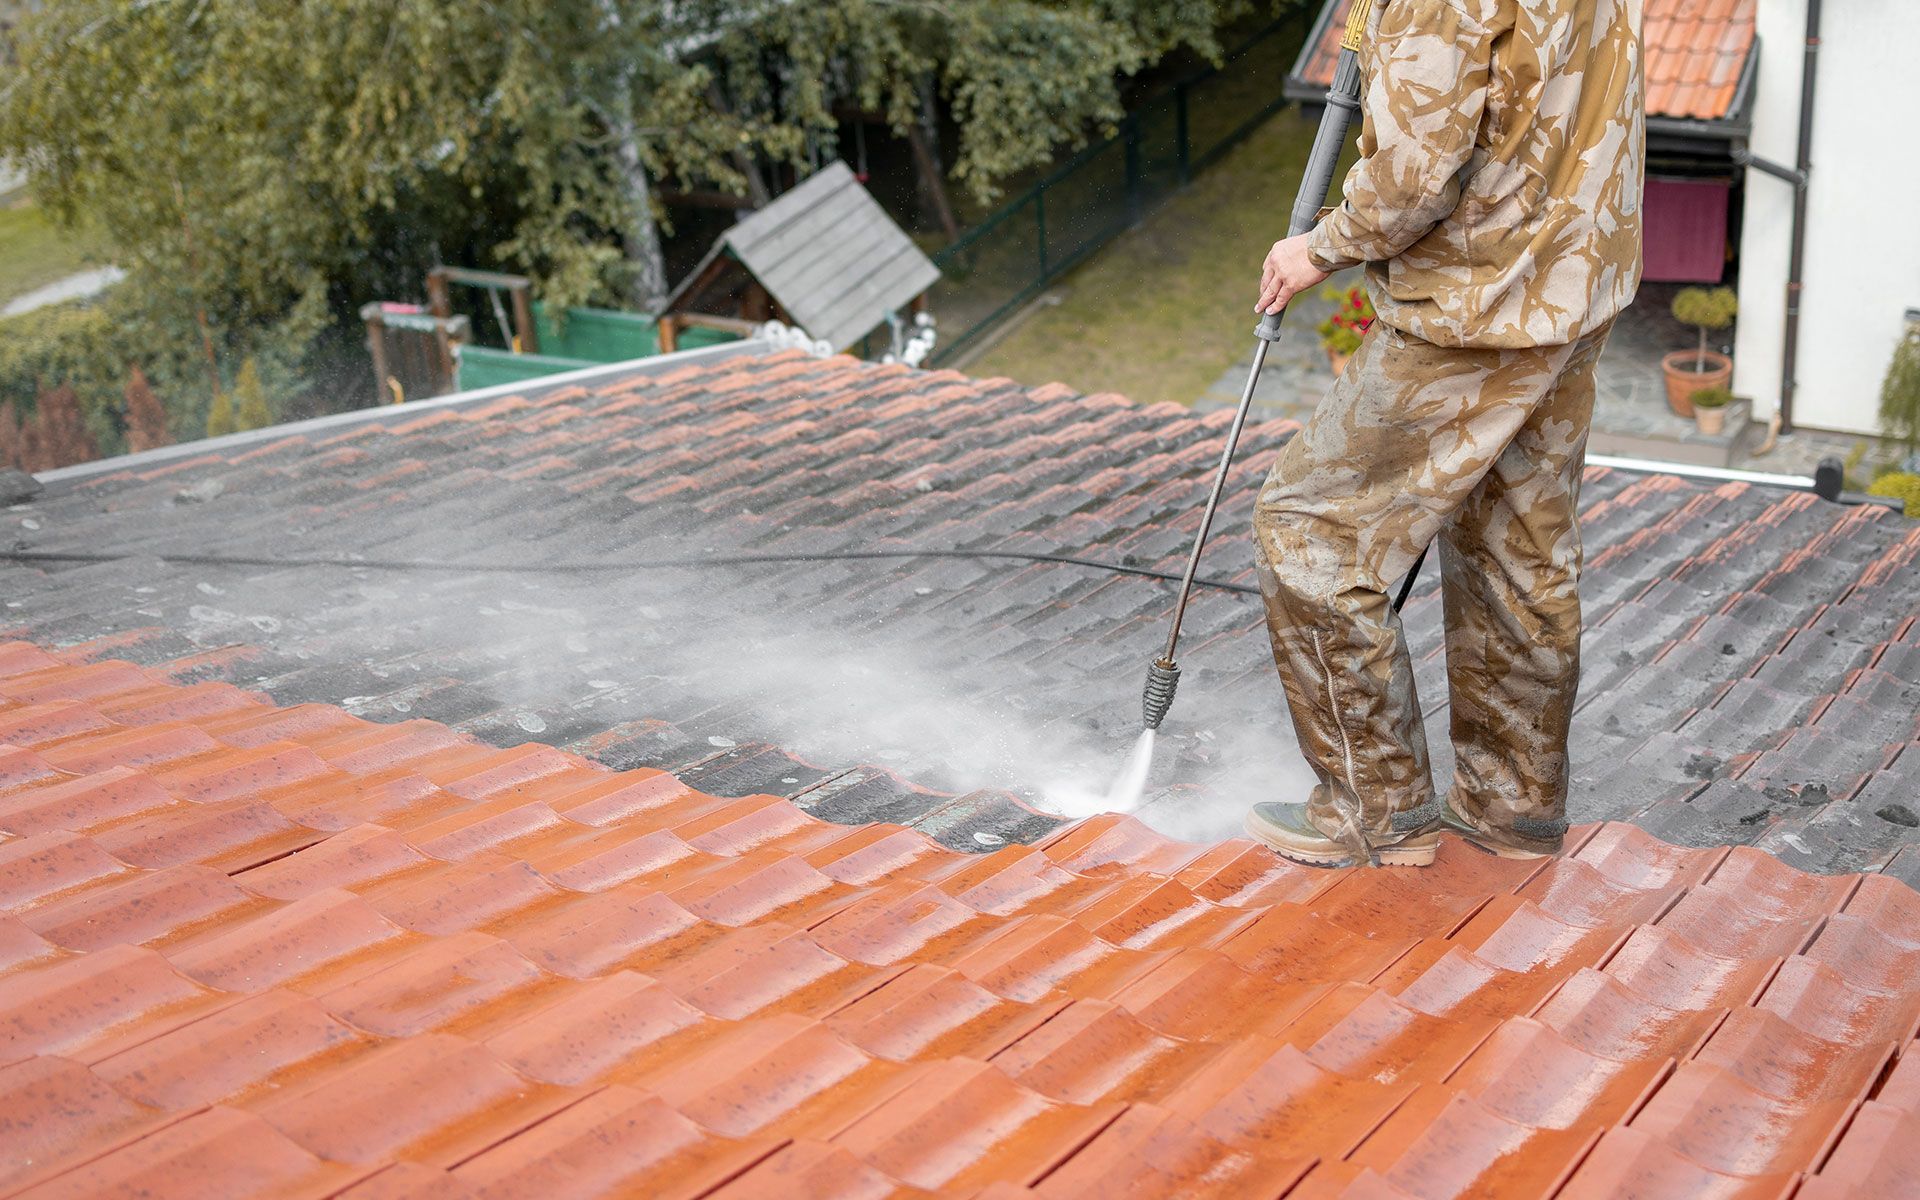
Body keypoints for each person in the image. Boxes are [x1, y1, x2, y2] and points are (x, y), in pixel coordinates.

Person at [1242, 0, 1644, 868]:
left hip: (1471, 304)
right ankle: (1514, 812)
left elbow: (1417, 170)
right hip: (1572, 286)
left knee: (1312, 529)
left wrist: (1321, 246)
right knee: (1519, 549)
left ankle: (1373, 808)